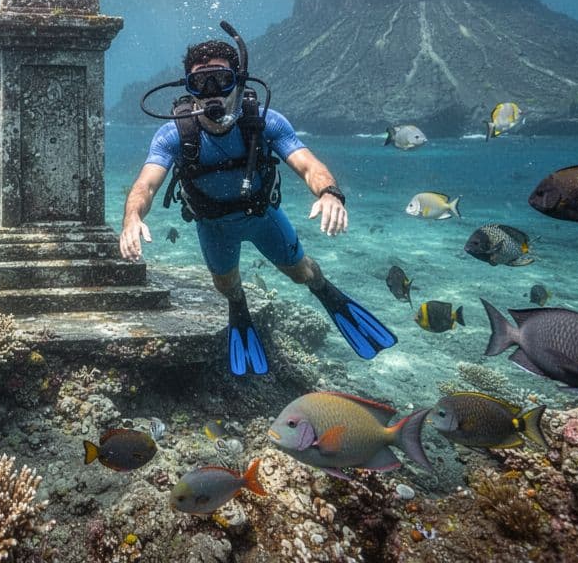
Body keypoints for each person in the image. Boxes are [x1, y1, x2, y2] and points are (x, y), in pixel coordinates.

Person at [120, 36, 397, 372]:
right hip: (214, 226)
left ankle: (325, 291)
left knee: (302, 273)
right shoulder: (174, 134)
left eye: (221, 80)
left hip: (262, 216)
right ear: (189, 88)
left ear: (238, 82)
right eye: (200, 82)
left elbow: (308, 165)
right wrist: (132, 218)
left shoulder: (265, 122)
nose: (211, 91)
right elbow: (146, 184)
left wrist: (329, 193)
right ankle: (238, 306)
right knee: (225, 285)